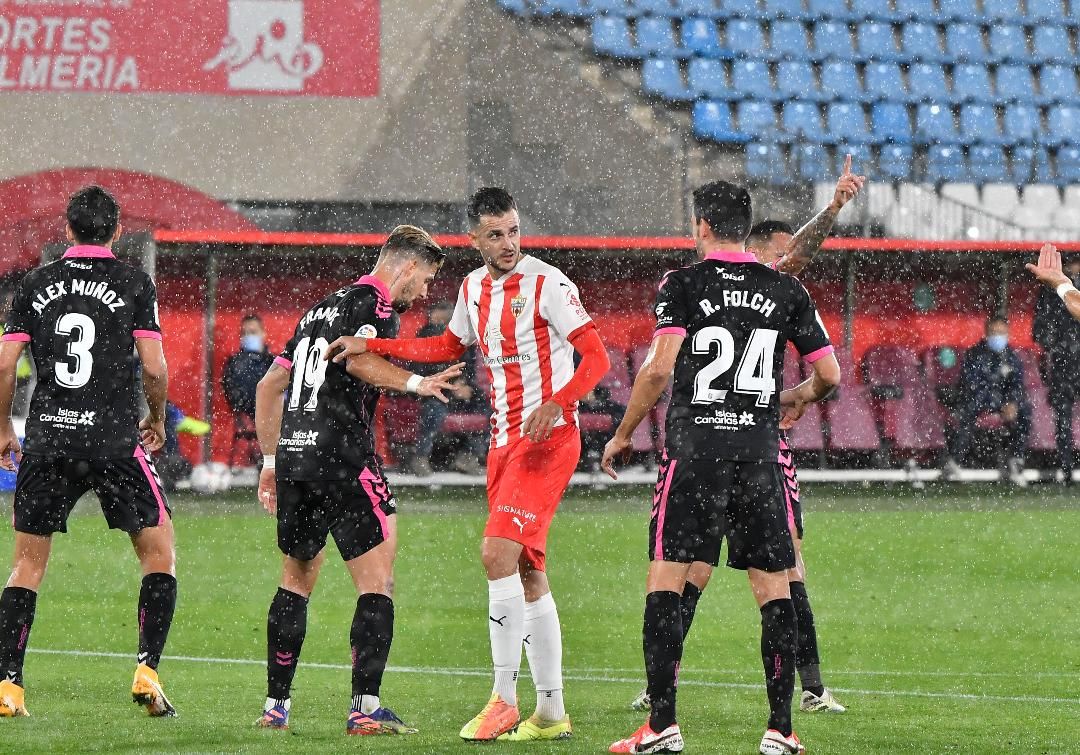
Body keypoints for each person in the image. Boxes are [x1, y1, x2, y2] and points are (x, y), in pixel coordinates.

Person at [325, 187, 610, 742]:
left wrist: (560, 402)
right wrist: (376, 347)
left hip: (549, 440)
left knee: (495, 553)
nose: (508, 244)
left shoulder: (548, 283)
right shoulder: (473, 288)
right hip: (505, 445)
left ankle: (504, 698)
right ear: (475, 238)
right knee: (528, 570)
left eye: (514, 231)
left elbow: (595, 355)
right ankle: (551, 712)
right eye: (496, 235)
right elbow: (445, 348)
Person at [603, 180, 840, 755]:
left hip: (694, 453)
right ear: (745, 225)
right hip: (758, 458)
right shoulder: (784, 288)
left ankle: (661, 727)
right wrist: (789, 399)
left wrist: (624, 432)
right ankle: (781, 730)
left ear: (702, 225)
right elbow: (830, 376)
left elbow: (659, 369)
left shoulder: (682, 283)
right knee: (775, 589)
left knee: (667, 578)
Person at [252, 225, 461, 735]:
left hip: (297, 459)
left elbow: (268, 385)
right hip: (343, 457)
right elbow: (361, 359)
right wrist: (417, 382)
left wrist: (269, 460)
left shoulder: (317, 310)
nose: (425, 292)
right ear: (407, 266)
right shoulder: (376, 305)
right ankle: (364, 707)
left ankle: (276, 707)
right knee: (378, 581)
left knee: (295, 580)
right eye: (427, 278)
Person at [0, 186, 176, 718]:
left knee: (27, 567)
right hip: (114, 440)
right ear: (117, 230)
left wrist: (4, 429)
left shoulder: (36, 282)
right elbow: (154, 367)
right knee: (159, 555)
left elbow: (5, 366)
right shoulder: (133, 282)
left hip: (49, 437)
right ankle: (147, 669)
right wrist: (157, 417)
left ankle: (8, 687)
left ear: (69, 229)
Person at [941, 316, 1030, 485]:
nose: (998, 337)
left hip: (1002, 402)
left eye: (1002, 333)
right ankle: (954, 462)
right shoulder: (975, 354)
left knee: (1025, 411)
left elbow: (1017, 383)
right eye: (995, 332)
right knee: (967, 412)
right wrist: (996, 402)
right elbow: (971, 384)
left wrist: (1011, 402)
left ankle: (1016, 460)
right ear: (987, 333)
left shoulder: (1011, 356)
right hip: (979, 400)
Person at [407, 300, 486, 476]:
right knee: (434, 410)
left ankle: (467, 456)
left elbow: (468, 367)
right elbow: (421, 371)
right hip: (432, 392)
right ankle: (420, 457)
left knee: (488, 405)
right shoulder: (425, 337)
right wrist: (451, 386)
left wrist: (465, 385)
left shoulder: (462, 337)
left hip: (457, 393)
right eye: (442, 310)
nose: (447, 315)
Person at [1030, 243, 1080, 483]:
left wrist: (1062, 284)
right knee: (1063, 418)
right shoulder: (1050, 296)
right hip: (1064, 364)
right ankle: (1067, 469)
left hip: (1069, 361)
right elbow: (1039, 332)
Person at [222, 314, 275, 467]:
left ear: (263, 334)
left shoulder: (273, 361)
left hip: (273, 412)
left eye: (253, 332)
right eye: (245, 333)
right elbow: (232, 394)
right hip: (251, 411)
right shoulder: (234, 363)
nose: (248, 337)